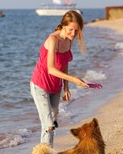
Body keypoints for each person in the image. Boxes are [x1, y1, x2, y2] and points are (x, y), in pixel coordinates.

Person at [30, 10, 89, 147]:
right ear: (63, 25)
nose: (73, 34)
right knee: (48, 124)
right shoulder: (53, 40)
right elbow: (51, 68)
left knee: (53, 118)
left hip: (55, 88)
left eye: (77, 30)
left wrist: (66, 87)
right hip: (40, 85)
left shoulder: (68, 41)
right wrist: (74, 79)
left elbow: (64, 64)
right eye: (70, 30)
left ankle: (46, 153)